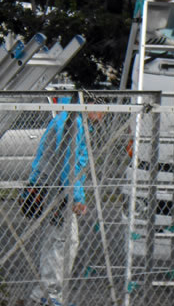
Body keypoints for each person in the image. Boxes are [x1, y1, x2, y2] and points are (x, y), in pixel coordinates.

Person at [27, 100, 103, 306]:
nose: (103, 116)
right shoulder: (74, 123)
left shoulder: (71, 120)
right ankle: (48, 295)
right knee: (64, 241)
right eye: (102, 109)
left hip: (52, 185)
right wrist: (76, 197)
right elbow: (68, 164)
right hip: (57, 189)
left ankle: (45, 294)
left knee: (56, 239)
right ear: (90, 105)